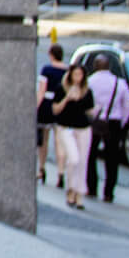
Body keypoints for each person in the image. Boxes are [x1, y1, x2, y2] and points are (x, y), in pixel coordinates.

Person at [86, 51, 129, 204]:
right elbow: (127, 106)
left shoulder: (91, 81)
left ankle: (92, 188)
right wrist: (122, 121)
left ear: (95, 66)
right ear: (110, 67)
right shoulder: (119, 83)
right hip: (114, 121)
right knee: (112, 158)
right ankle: (108, 192)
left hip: (95, 120)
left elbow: (86, 103)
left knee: (91, 155)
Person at [51, 62, 94, 208]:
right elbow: (55, 110)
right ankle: (71, 188)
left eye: (81, 75)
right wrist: (67, 99)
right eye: (75, 74)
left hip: (83, 129)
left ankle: (79, 194)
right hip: (66, 128)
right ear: (70, 75)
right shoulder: (61, 88)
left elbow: (90, 111)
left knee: (82, 161)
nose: (78, 78)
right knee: (73, 159)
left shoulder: (87, 91)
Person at [36, 42, 66, 187]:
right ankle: (61, 172)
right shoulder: (67, 70)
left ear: (51, 55)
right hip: (62, 105)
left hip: (47, 104)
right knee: (59, 141)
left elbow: (42, 90)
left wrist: (36, 106)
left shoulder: (47, 69)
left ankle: (42, 168)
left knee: (44, 140)